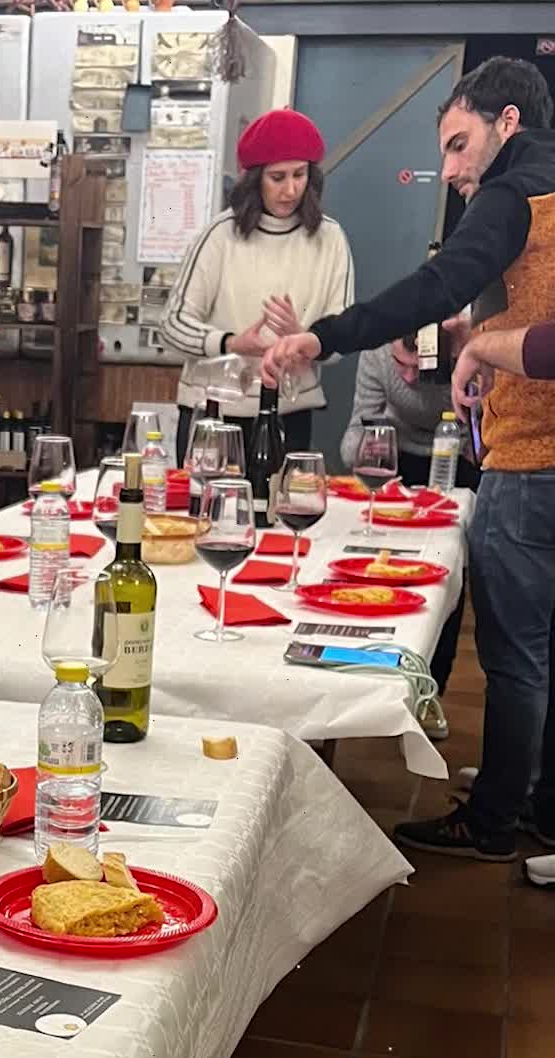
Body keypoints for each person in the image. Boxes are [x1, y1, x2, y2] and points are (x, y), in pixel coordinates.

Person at [262, 57, 555, 862]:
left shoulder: (513, 194)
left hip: (532, 457)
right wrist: (482, 339)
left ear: (506, 124)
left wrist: (322, 336)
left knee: (516, 656)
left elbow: (434, 288)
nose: (451, 171)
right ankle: (537, 800)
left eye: (459, 145)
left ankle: (493, 820)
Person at [161, 108, 354, 468]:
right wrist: (233, 343)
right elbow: (172, 326)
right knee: (206, 503)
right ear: (254, 180)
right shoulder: (220, 236)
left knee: (279, 502)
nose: (291, 189)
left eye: (299, 175)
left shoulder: (330, 239)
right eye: (277, 177)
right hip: (214, 413)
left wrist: (307, 338)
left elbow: (342, 336)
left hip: (289, 410)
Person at [342, 334, 479, 715]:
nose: (406, 377)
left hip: (458, 460)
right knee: (376, 569)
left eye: (418, 368)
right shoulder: (375, 351)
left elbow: (482, 438)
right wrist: (369, 443)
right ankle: (370, 686)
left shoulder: (468, 349)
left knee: (445, 574)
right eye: (399, 364)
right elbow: (352, 439)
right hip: (394, 463)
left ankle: (430, 694)